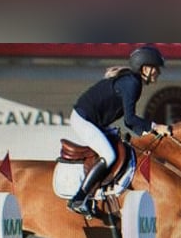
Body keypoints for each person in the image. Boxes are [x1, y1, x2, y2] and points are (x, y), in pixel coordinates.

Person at [67, 44, 172, 216]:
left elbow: (129, 123)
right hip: (83, 119)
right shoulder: (132, 83)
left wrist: (149, 136)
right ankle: (79, 198)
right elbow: (130, 119)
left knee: (121, 147)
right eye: (155, 68)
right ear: (144, 68)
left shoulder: (132, 82)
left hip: (94, 122)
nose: (158, 73)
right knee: (109, 156)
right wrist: (155, 127)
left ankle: (98, 194)